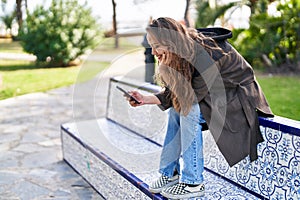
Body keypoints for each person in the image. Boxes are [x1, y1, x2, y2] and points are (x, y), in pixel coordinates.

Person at [124, 17, 273, 199]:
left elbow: (189, 97)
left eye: (157, 46)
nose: (153, 52)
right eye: (151, 46)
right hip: (215, 93)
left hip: (237, 97)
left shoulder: (206, 55)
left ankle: (193, 182)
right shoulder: (181, 51)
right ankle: (169, 173)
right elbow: (178, 92)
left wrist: (164, 70)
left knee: (188, 110)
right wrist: (146, 99)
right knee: (176, 110)